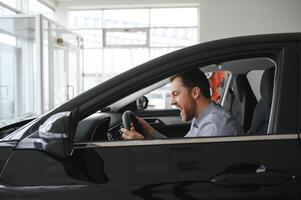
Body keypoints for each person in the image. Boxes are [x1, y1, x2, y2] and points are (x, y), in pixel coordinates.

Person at [121, 68, 244, 140]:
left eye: (176, 94)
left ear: (195, 93)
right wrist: (150, 132)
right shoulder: (201, 119)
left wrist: (142, 146)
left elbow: (195, 170)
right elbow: (181, 151)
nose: (172, 101)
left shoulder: (215, 126)